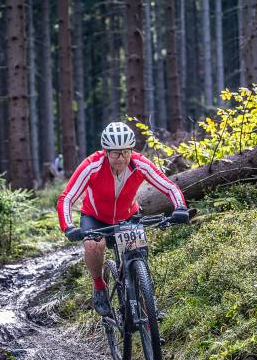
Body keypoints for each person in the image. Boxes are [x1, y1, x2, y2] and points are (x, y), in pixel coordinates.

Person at [57, 122, 190, 316]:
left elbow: (169, 186)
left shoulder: (139, 163)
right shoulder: (92, 165)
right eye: (116, 153)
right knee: (93, 245)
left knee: (137, 255)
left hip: (127, 216)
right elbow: (67, 198)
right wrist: (68, 226)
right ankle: (99, 286)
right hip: (95, 217)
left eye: (126, 152)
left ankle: (146, 307)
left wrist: (180, 207)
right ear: (105, 151)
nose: (121, 158)